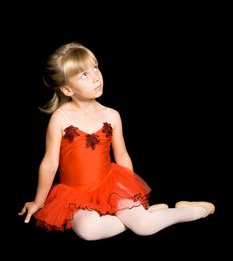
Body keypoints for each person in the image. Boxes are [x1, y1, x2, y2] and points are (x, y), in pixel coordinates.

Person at [19, 42, 215, 240]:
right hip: (75, 195)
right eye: (84, 75)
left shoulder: (111, 115)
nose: (96, 76)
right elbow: (50, 163)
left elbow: (122, 156)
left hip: (110, 185)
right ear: (67, 90)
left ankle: (197, 210)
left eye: (95, 68)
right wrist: (38, 201)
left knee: (144, 227)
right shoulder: (60, 118)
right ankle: (149, 215)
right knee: (89, 231)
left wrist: (133, 198)